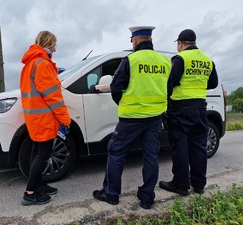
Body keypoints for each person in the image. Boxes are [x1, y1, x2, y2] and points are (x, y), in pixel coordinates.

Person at [93, 26, 171, 209]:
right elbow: (169, 89)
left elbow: (116, 87)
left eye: (131, 41)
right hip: (154, 118)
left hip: (131, 118)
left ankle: (111, 194)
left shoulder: (131, 60)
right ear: (150, 40)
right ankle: (147, 197)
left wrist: (125, 103)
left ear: (135, 41)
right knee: (151, 156)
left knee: (116, 152)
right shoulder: (165, 62)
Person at [159, 29, 218, 196]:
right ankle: (199, 184)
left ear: (180, 43)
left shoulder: (180, 58)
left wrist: (167, 103)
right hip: (200, 108)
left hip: (180, 109)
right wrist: (197, 86)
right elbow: (213, 82)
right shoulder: (207, 60)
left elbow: (171, 82)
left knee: (180, 148)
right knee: (199, 148)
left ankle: (180, 184)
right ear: (194, 41)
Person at [20, 31, 71, 206]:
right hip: (44, 118)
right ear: (49, 44)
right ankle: (30, 192)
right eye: (54, 44)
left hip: (34, 118)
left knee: (36, 152)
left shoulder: (30, 63)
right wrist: (65, 119)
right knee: (43, 154)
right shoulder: (43, 63)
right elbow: (53, 96)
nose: (55, 48)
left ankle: (39, 184)